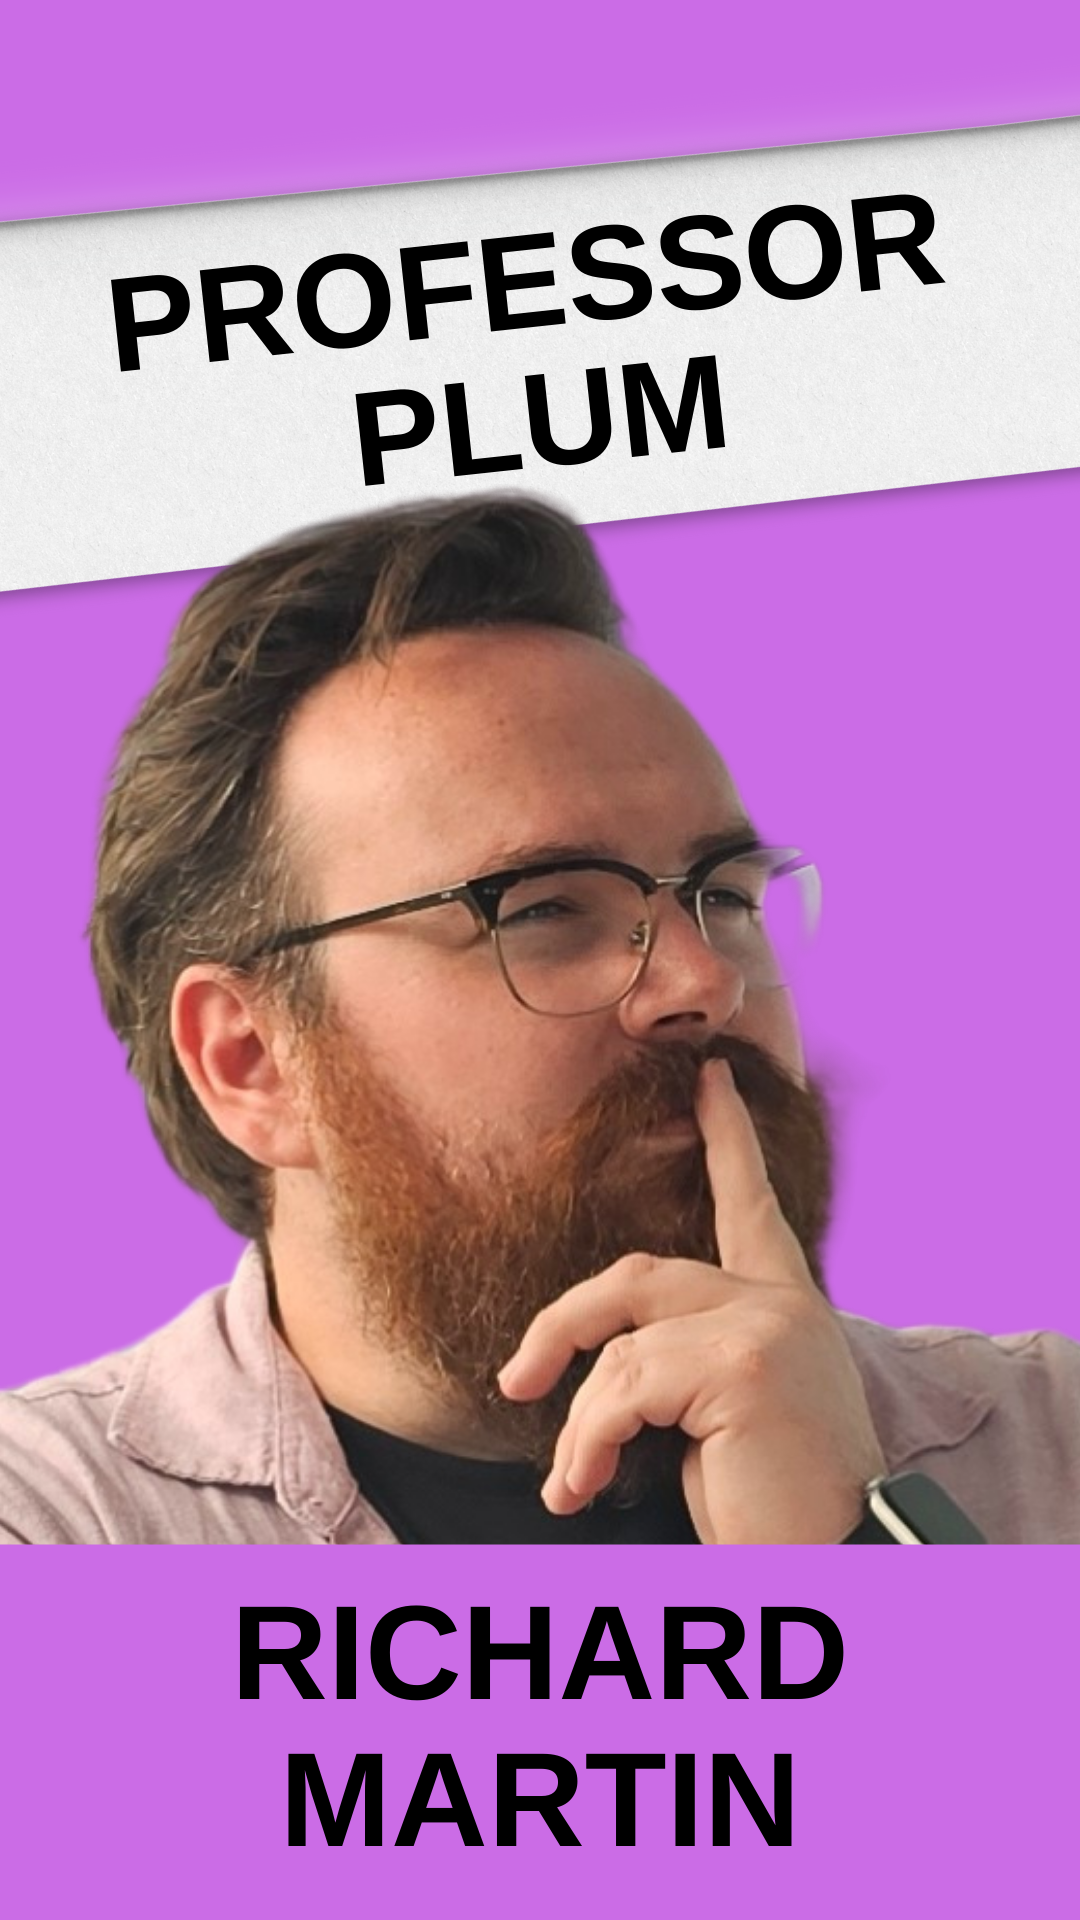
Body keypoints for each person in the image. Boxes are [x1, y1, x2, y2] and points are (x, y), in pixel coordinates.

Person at [2, 496, 1078, 1545]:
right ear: (252, 1063)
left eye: (726, 897)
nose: (704, 980)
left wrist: (853, 1546)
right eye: (546, 911)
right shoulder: (48, 1532)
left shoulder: (1054, 1441)